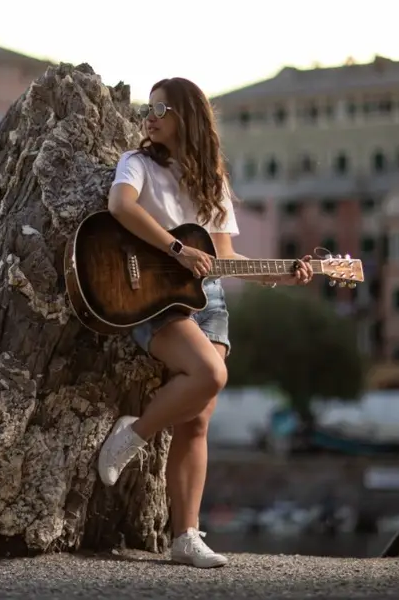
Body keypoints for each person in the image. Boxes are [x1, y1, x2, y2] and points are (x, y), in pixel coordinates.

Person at [96, 77, 314, 569]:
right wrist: (177, 248)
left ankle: (185, 537)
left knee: (197, 421)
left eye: (161, 108)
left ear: (187, 115)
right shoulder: (137, 164)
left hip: (208, 299)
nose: (149, 117)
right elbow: (120, 207)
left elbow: (225, 256)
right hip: (153, 296)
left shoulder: (212, 179)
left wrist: (282, 273)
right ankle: (133, 434)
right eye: (147, 109)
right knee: (211, 375)